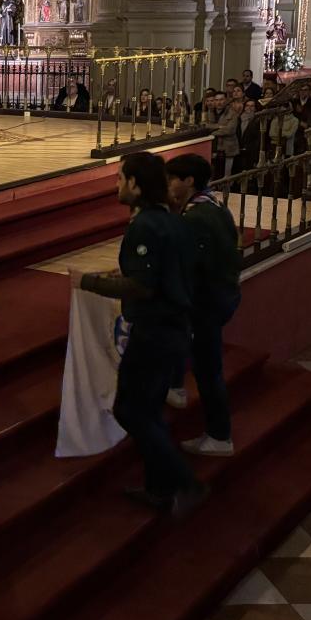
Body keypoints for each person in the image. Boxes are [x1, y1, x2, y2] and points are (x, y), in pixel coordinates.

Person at [70, 153, 206, 516]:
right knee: (149, 409)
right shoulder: (174, 220)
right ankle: (159, 488)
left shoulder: (145, 226)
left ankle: (185, 482)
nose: (116, 185)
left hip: (154, 332)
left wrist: (88, 282)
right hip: (176, 328)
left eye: (120, 178)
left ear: (135, 184)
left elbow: (143, 287)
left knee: (130, 410)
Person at [165, 155, 241, 453]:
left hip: (207, 303)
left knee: (208, 371)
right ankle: (175, 387)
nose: (168, 185)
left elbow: (190, 266)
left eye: (172, 179)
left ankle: (220, 436)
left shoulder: (196, 217)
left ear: (189, 181)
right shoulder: (215, 206)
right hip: (222, 295)